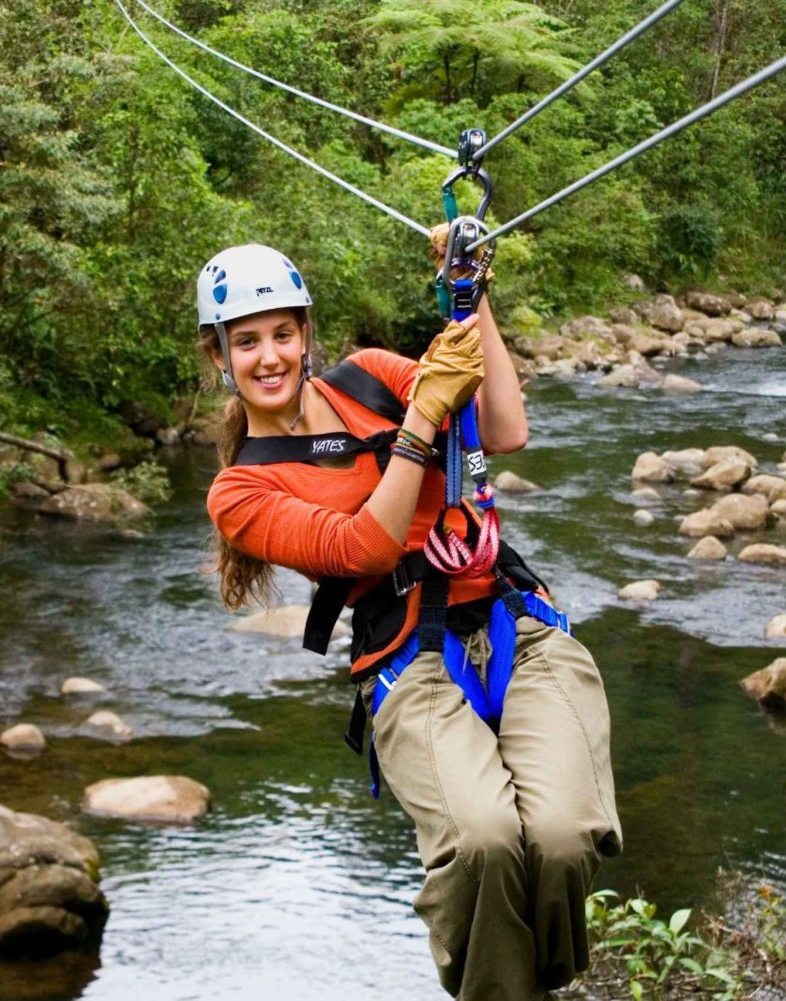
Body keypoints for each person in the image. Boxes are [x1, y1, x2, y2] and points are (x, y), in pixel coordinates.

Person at [200, 238, 621, 1001]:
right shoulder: (241, 488)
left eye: (283, 333)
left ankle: (537, 984)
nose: (270, 356)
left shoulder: (368, 376)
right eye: (247, 341)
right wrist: (421, 424)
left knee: (561, 839)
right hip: (406, 658)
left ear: (306, 333)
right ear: (220, 357)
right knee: (484, 843)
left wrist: (471, 294)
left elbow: (502, 429)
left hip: (512, 620)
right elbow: (365, 545)